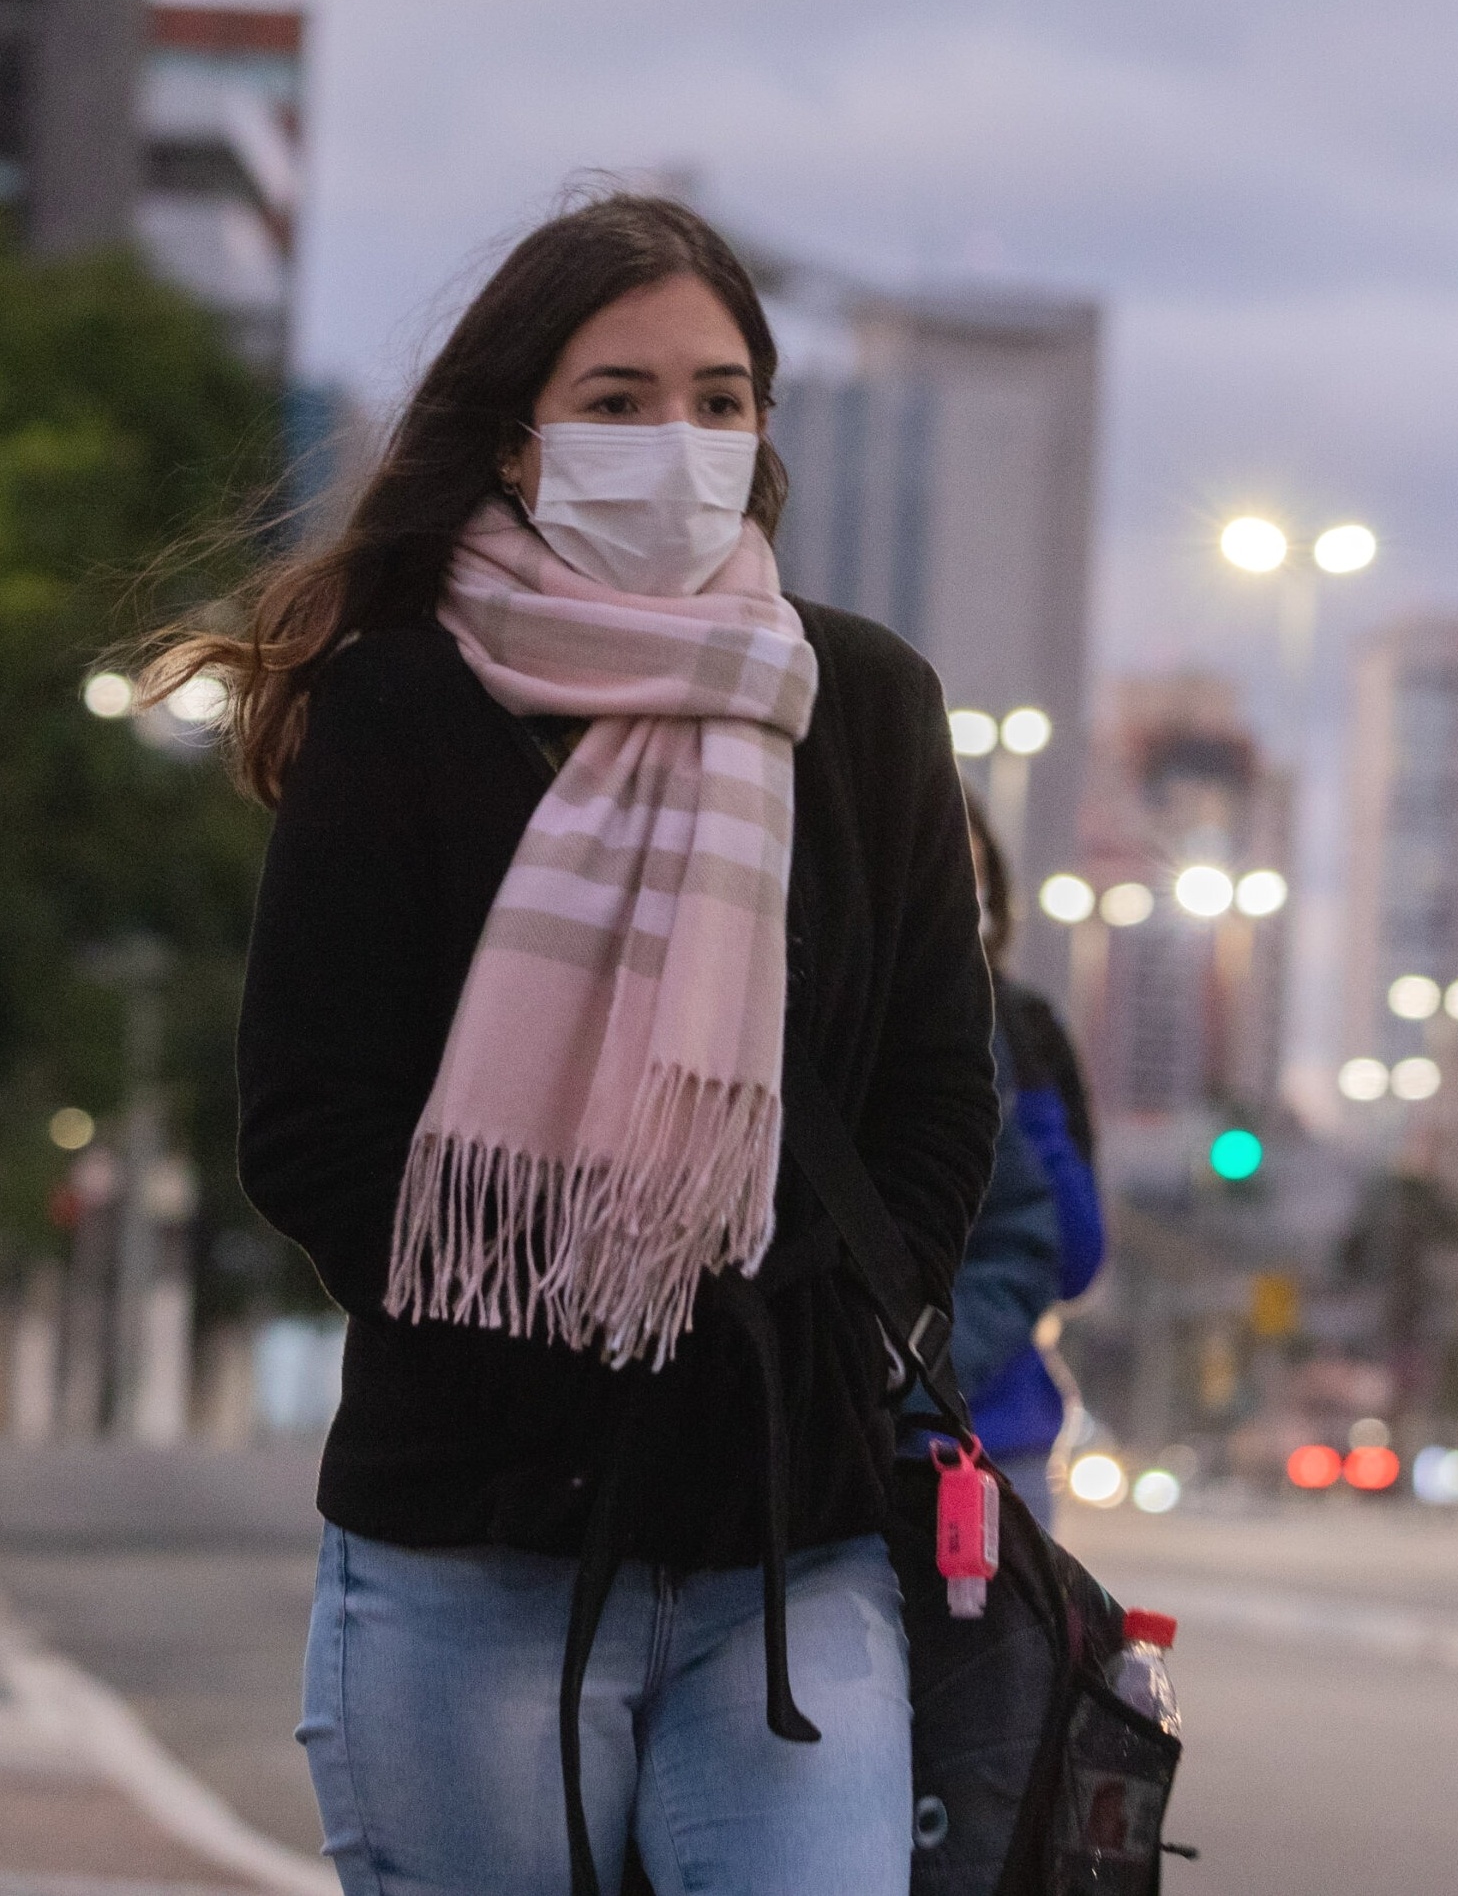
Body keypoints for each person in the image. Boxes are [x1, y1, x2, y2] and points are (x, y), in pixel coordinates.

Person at [167, 195, 999, 1895]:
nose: (672, 441)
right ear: (519, 441)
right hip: (472, 1543)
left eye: (716, 398)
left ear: (764, 432)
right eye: (616, 401)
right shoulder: (399, 705)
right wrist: (546, 1328)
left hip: (790, 1548)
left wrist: (828, 1331)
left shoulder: (865, 705)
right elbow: (310, 1121)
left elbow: (934, 1092)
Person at [947, 800, 1107, 1523]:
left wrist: (1023, 1082)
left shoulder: (1025, 1026)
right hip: (862, 1445)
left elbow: (1073, 1257)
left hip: (998, 1451)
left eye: (976, 875)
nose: (962, 892)